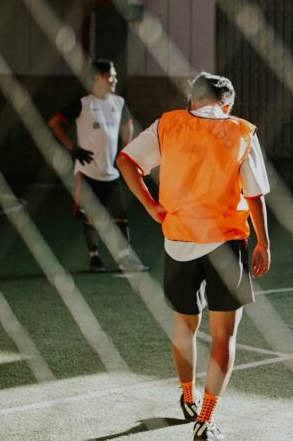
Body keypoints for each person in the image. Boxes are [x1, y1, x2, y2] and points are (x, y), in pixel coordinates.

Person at [117, 72, 271, 441]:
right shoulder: (241, 131)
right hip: (224, 242)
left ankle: (187, 396)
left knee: (183, 327)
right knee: (224, 336)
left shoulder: (168, 124)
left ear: (192, 99)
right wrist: (264, 243)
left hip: (179, 241)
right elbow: (254, 196)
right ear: (227, 103)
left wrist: (153, 208)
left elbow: (126, 162)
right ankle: (206, 419)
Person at [48, 59, 147, 273]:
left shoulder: (118, 102)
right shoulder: (83, 103)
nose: (115, 79)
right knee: (91, 217)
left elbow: (128, 125)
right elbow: (54, 123)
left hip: (110, 173)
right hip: (87, 172)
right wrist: (72, 148)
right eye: (111, 75)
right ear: (98, 77)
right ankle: (95, 258)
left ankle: (124, 260)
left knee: (120, 216)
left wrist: (123, 150)